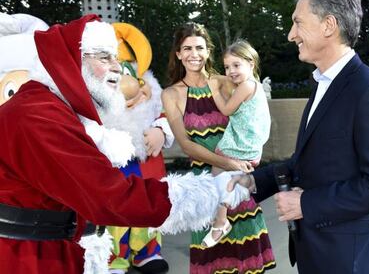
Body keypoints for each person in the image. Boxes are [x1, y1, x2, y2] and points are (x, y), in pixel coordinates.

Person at [0, 14, 249, 274]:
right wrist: (212, 192)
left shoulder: (50, 107)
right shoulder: (38, 116)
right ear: (70, 61)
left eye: (116, 58)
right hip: (25, 258)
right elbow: (111, 197)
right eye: (104, 57)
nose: (117, 67)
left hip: (43, 249)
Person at [228, 0, 369, 274]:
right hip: (319, 252)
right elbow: (310, 160)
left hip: (350, 259)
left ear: (329, 25)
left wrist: (306, 204)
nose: (290, 34)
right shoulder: (325, 83)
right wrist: (255, 181)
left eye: (298, 23)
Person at [162, 23, 276, 273]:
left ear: (208, 51)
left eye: (200, 48)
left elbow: (254, 111)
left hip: (239, 180)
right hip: (206, 185)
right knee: (212, 260)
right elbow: (186, 145)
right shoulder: (172, 94)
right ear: (178, 54)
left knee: (246, 262)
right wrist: (227, 163)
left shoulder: (227, 82)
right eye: (187, 48)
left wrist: (251, 153)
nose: (194, 54)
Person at [103, 23, 173, 274]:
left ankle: (147, 252)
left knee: (148, 204)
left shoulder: (153, 94)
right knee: (115, 210)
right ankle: (114, 258)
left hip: (147, 165)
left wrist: (161, 131)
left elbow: (167, 117)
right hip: (114, 167)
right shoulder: (96, 97)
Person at [201, 39, 271, 248]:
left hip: (240, 145)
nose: (231, 71)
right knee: (224, 178)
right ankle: (221, 218)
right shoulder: (253, 84)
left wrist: (213, 89)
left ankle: (221, 222)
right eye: (227, 67)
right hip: (249, 146)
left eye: (236, 65)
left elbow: (226, 110)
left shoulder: (247, 86)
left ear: (251, 64)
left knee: (219, 174)